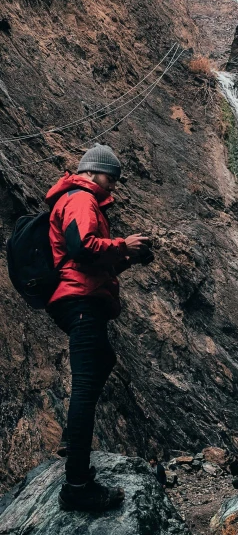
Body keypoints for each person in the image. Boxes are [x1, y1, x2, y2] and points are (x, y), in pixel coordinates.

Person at [46, 143, 153, 512]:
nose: (113, 186)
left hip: (81, 297)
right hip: (79, 301)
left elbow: (95, 263)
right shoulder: (79, 197)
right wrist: (123, 243)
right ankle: (77, 486)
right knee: (86, 386)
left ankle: (71, 441)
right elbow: (82, 247)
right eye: (111, 177)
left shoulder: (84, 199)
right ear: (92, 172)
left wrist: (128, 256)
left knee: (102, 361)